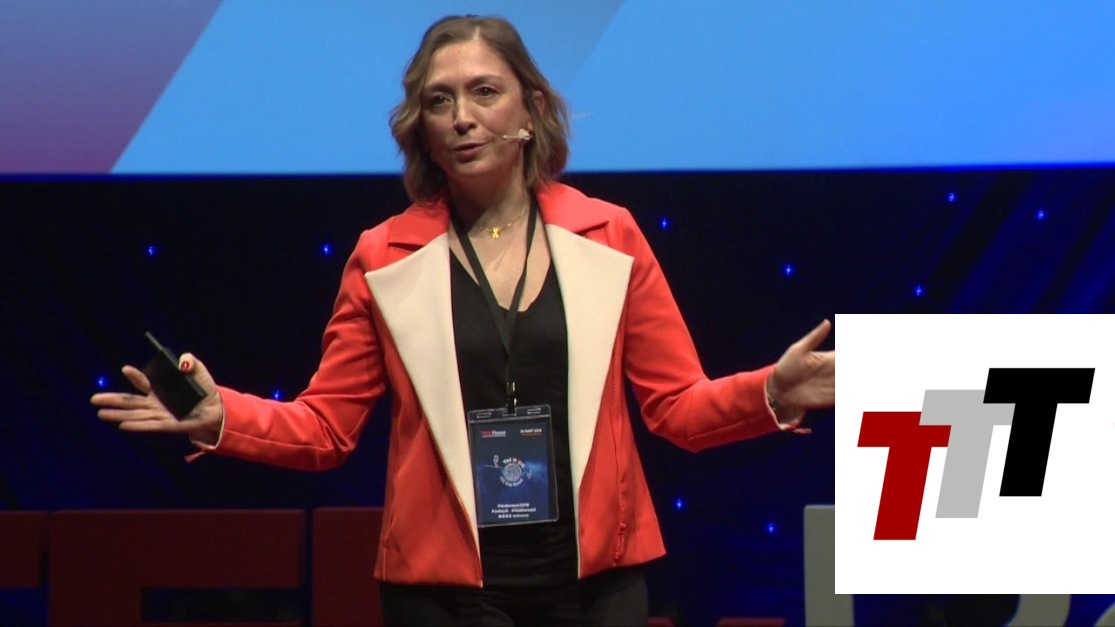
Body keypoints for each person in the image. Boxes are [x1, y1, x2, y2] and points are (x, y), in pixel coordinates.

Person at [91, 14, 835, 626]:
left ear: (530, 111)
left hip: (596, 589)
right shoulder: (383, 256)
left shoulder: (609, 235)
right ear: (421, 126)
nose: (462, 118)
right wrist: (222, 416)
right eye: (439, 101)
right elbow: (326, 429)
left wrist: (772, 391)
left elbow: (675, 407)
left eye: (484, 92)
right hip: (444, 596)